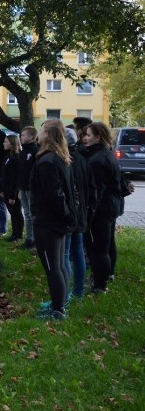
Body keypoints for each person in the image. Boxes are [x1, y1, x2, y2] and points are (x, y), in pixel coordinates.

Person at [30, 121, 77, 320]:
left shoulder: (48, 160)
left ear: (47, 134)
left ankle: (58, 311)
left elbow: (55, 194)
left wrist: (65, 215)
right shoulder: (59, 157)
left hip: (49, 221)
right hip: (56, 220)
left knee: (53, 267)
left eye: (41, 130)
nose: (38, 134)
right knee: (58, 265)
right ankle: (61, 304)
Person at [80, 121, 124, 294]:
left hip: (102, 209)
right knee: (106, 245)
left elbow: (95, 192)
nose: (85, 138)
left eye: (88, 135)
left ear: (98, 137)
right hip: (110, 206)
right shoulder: (106, 153)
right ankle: (104, 277)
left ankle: (99, 285)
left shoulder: (98, 160)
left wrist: (88, 217)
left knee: (98, 248)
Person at [61, 125, 94, 301]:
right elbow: (91, 187)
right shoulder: (83, 158)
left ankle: (64, 295)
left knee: (67, 254)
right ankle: (78, 292)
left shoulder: (66, 160)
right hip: (81, 212)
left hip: (71, 213)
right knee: (78, 252)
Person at [17, 126, 39, 248]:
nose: (21, 137)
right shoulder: (22, 151)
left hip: (31, 188)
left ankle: (35, 240)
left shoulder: (35, 151)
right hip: (22, 187)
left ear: (31, 137)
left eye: (24, 135)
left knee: (32, 214)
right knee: (26, 213)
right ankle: (29, 238)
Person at [0, 134, 24, 242]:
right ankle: (14, 233)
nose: (3, 143)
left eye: (6, 141)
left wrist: (12, 195)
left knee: (16, 213)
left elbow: (16, 178)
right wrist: (2, 190)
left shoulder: (16, 158)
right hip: (6, 190)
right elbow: (4, 175)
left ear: (12, 143)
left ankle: (18, 234)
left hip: (12, 191)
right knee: (12, 213)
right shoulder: (7, 156)